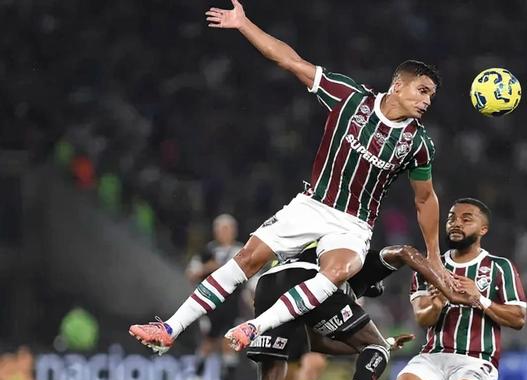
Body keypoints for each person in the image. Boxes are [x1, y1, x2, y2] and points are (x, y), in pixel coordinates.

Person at [130, 0, 448, 356]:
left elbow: (425, 199)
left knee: (339, 270)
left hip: (354, 224)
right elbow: (289, 60)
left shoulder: (418, 143)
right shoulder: (349, 99)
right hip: (313, 205)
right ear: (398, 85)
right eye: (422, 91)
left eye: (431, 96)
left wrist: (434, 255)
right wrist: (243, 24)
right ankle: (170, 327)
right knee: (249, 258)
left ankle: (254, 326)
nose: (427, 101)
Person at [247, 243, 469, 380]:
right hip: (311, 279)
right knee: (353, 355)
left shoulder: (324, 244)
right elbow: (404, 252)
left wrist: (383, 343)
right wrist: (443, 281)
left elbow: (316, 342)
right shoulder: (359, 260)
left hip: (268, 285)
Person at [375, 198, 527, 380]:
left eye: (466, 219)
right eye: (451, 218)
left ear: (483, 229)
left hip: (477, 358)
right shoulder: (427, 267)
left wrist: (479, 299)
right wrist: (436, 304)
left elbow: (518, 318)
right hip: (434, 355)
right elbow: (422, 318)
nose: (456, 223)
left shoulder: (499, 268)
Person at [184, 214, 245, 380]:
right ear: (215, 231)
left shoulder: (242, 250)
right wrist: (205, 268)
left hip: (233, 304)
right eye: (221, 229)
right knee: (209, 342)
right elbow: (191, 273)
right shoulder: (207, 251)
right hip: (211, 305)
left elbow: (252, 276)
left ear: (234, 231)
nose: (224, 232)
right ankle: (196, 378)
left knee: (229, 343)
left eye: (228, 228)